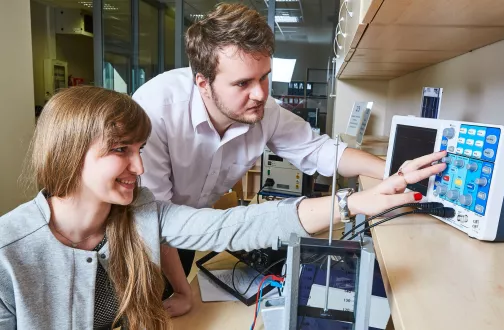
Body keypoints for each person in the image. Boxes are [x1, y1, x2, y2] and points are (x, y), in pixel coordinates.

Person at [0, 86, 445, 329]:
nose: (139, 165)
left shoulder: (141, 213)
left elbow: (236, 225)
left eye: (140, 148)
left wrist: (355, 201)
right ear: (68, 152)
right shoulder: (8, 251)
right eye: (121, 149)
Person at [132, 3, 389, 316]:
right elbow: (156, 218)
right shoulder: (155, 112)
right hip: (143, 239)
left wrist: (391, 171)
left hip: (194, 226)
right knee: (152, 308)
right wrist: (182, 290)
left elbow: (318, 150)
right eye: (243, 83)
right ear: (203, 83)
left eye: (264, 77)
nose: (260, 94)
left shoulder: (265, 110)